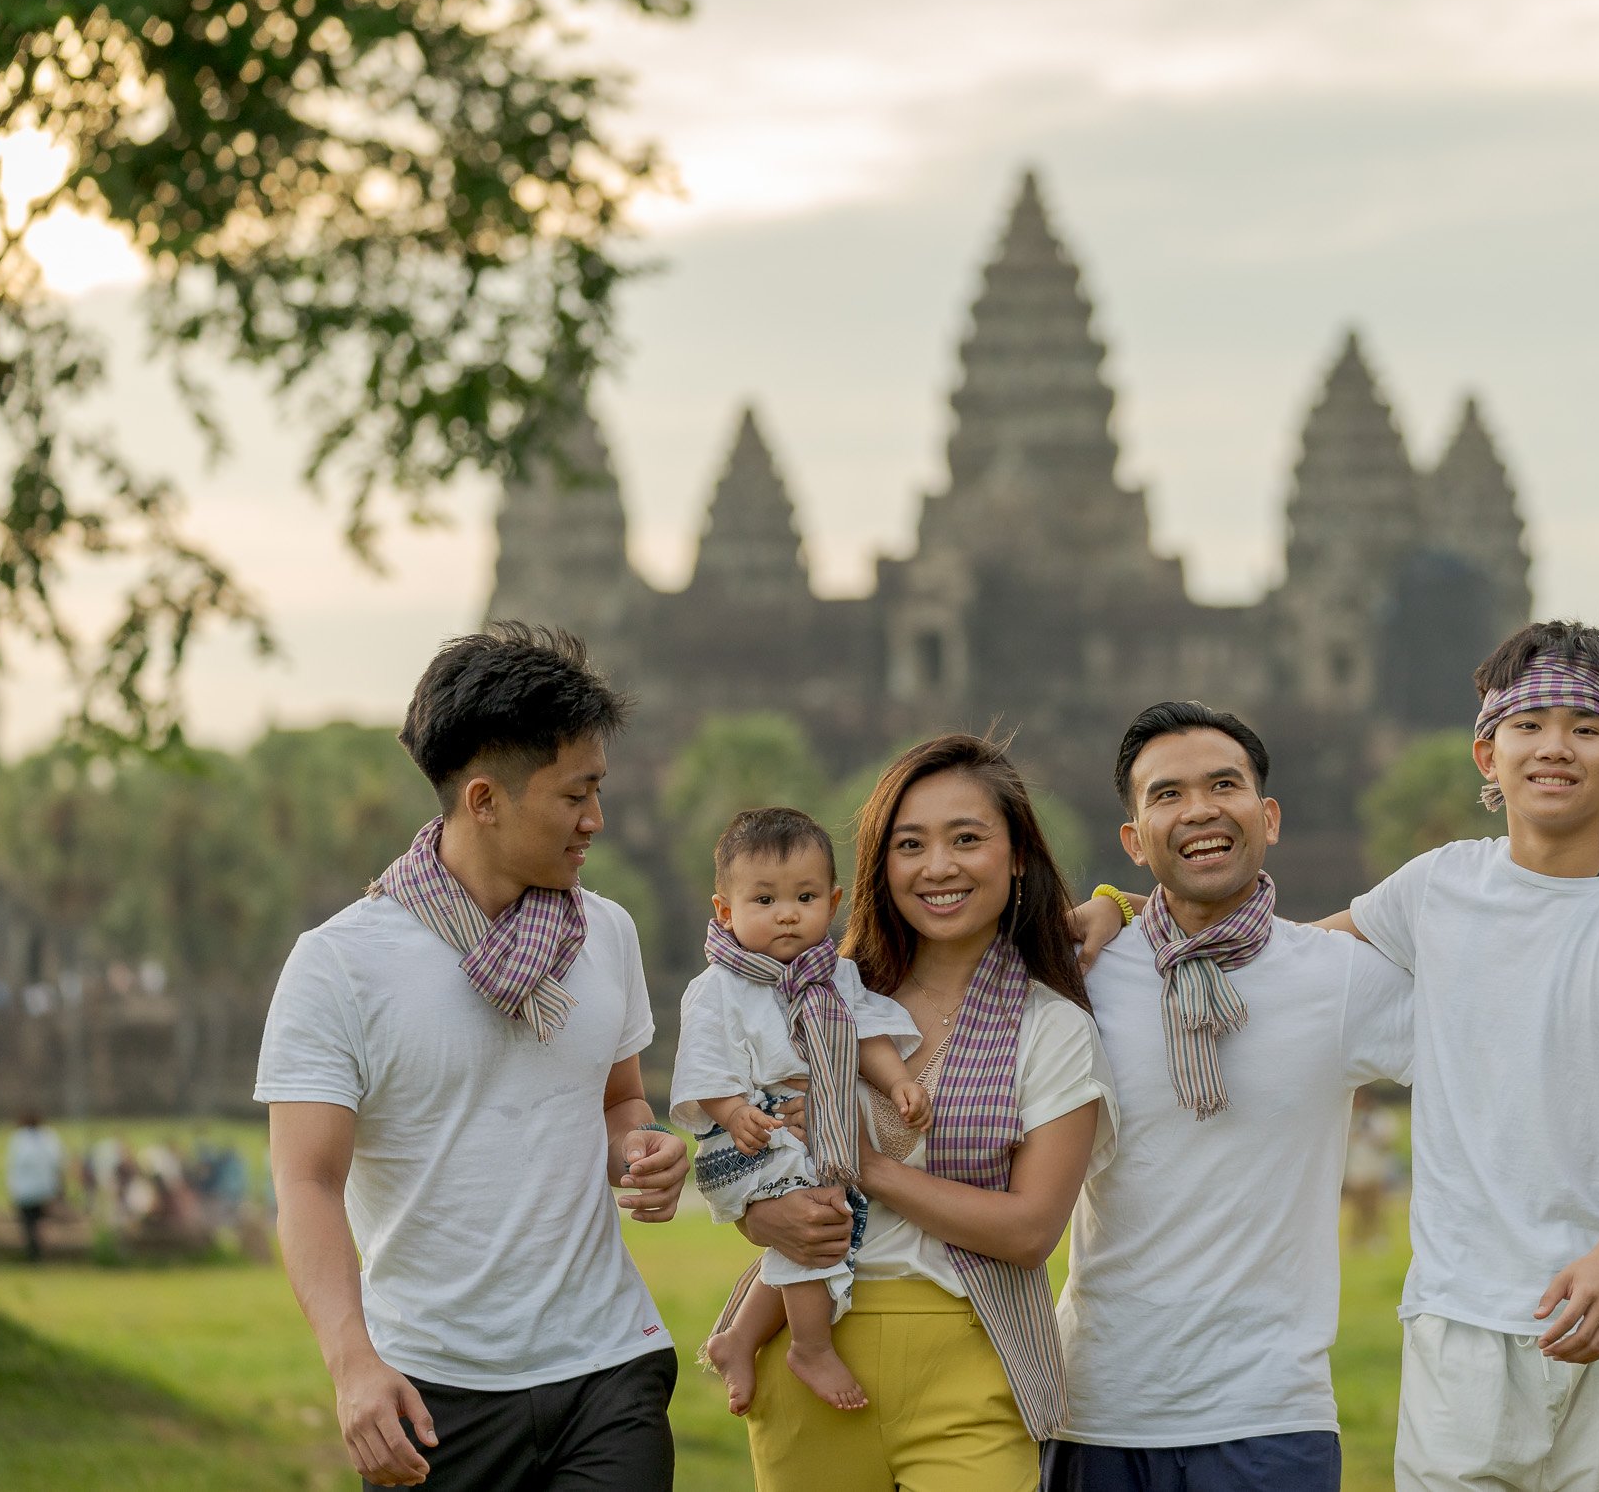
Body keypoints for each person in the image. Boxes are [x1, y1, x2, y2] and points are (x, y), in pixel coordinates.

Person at [1314, 620, 1599, 1492]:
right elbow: (1280, 959)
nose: (1555, 748)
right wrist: (1129, 916)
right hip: (1461, 1322)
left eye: (1585, 729)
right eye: (1529, 725)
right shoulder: (1435, 887)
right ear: (1487, 752)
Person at [257, 623, 689, 1491]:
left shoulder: (605, 932)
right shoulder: (341, 964)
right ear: (484, 798)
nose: (596, 820)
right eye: (576, 796)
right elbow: (306, 1183)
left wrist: (643, 1146)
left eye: (597, 790)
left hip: (607, 1366)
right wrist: (351, 1365)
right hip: (432, 1391)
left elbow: (618, 1100)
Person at [1045, 701, 1415, 1492]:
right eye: (1166, 794)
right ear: (1134, 839)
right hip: (1097, 1410)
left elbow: (1509, 1008)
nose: (1201, 809)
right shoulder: (1078, 975)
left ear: (1268, 816)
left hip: (1271, 1417)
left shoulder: (1339, 979)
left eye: (1224, 784)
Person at [731, 733, 1114, 1492]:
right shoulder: (816, 1000)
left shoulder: (1052, 1025)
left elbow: (1032, 1230)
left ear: (1017, 857)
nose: (938, 866)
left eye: (966, 839)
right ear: (882, 866)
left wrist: (865, 1164)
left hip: (970, 1357)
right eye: (911, 844)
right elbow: (751, 1153)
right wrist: (758, 1216)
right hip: (810, 1350)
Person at [672, 805, 930, 1415]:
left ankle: (739, 1337)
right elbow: (705, 1068)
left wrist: (897, 1084)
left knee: (809, 1225)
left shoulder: (835, 976)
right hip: (751, 1135)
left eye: (805, 896)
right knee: (815, 1219)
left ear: (833, 901)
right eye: (764, 900)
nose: (787, 913)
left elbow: (866, 1037)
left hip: (815, 1128)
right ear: (725, 911)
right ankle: (809, 1347)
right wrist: (734, 1112)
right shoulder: (717, 987)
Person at [5, 1111, 66, 1262]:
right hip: (45, 1188)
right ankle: (42, 1253)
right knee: (41, 1223)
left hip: (24, 1190)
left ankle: (34, 1254)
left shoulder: (19, 1139)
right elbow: (57, 1163)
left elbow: (12, 1165)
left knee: (29, 1224)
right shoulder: (49, 1137)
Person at [1346, 1085, 1400, 1252]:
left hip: (1376, 1169)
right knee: (1357, 1209)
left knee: (1375, 1207)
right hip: (1357, 1170)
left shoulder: (1382, 1117)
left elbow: (1387, 1142)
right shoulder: (1352, 1117)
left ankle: (1378, 1238)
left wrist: (1371, 1133)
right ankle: (1357, 1239)